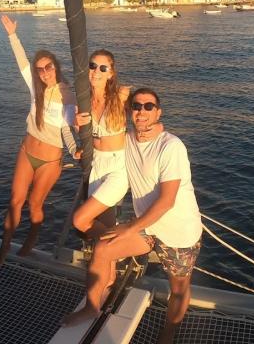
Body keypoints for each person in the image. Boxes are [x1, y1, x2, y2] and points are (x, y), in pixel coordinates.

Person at [63, 88, 202, 344]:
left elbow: (166, 201)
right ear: (129, 112)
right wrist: (78, 136)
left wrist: (128, 228)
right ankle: (92, 306)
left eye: (149, 106)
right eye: (136, 106)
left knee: (178, 289)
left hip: (178, 232)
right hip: (149, 229)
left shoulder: (171, 147)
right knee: (103, 248)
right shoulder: (126, 139)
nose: (142, 111)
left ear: (158, 112)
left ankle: (167, 334)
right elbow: (100, 140)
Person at [0, 14, 79, 265]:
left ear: (56, 66)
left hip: (51, 160)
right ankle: (5, 244)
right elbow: (21, 60)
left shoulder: (68, 95)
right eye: (40, 69)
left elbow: (67, 130)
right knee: (15, 201)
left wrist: (74, 151)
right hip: (27, 150)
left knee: (34, 204)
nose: (44, 73)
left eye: (48, 67)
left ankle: (31, 239)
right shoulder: (35, 87)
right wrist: (12, 35)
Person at [70, 49, 132, 240]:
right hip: (96, 165)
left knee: (80, 220)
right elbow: (86, 136)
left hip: (117, 168)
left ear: (111, 73)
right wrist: (76, 127)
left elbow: (143, 116)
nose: (96, 71)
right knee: (103, 224)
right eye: (92, 66)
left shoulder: (121, 96)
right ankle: (109, 257)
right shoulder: (83, 101)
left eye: (103, 68)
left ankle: (124, 242)